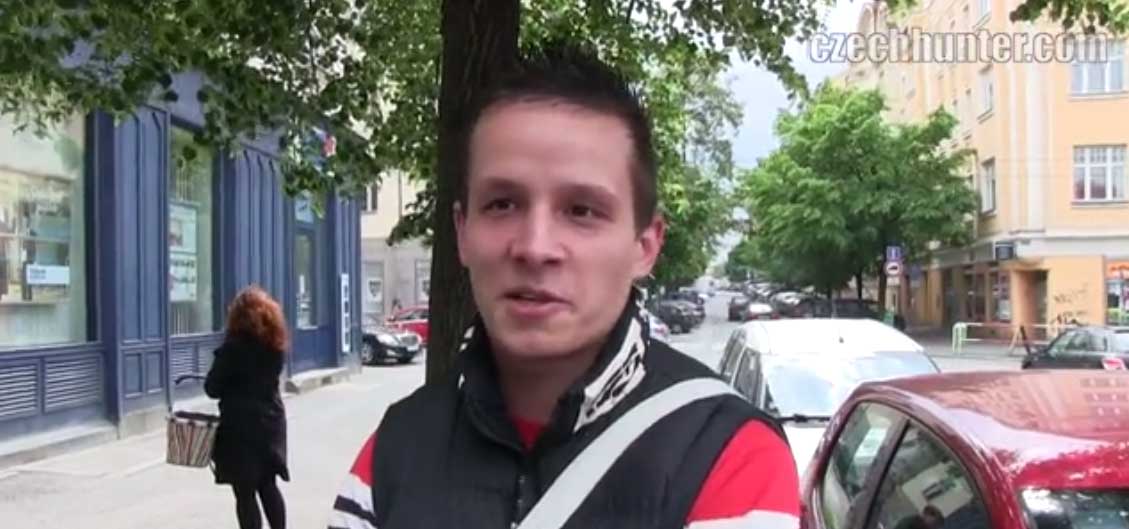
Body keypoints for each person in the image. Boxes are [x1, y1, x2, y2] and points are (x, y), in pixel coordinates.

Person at [328, 42, 799, 529]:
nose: (535, 248)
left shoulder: (729, 457)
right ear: (462, 233)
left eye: (581, 211)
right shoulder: (393, 451)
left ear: (645, 246)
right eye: (502, 204)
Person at [206, 285, 290, 529]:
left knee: (245, 492)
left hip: (240, 428)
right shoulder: (274, 345)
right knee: (268, 484)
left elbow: (212, 388)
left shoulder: (232, 348)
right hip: (271, 423)